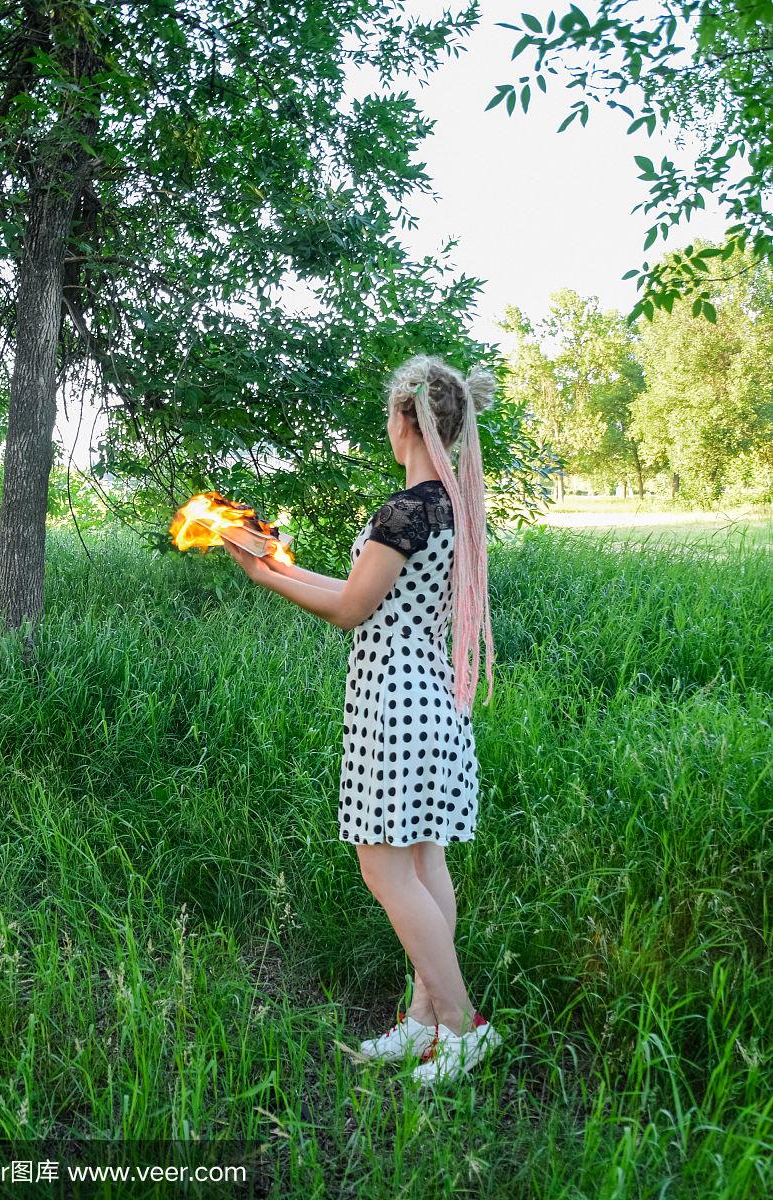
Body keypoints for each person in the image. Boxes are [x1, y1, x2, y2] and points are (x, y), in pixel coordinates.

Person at [221, 354, 502, 1087]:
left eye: (387, 414)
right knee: (421, 861)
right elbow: (361, 589)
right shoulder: (444, 503)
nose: (385, 426)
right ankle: (423, 1022)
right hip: (428, 694)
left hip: (395, 697)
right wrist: (275, 565)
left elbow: (350, 610)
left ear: (406, 422)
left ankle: (463, 1025)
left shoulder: (405, 508)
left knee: (384, 865)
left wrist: (265, 580)